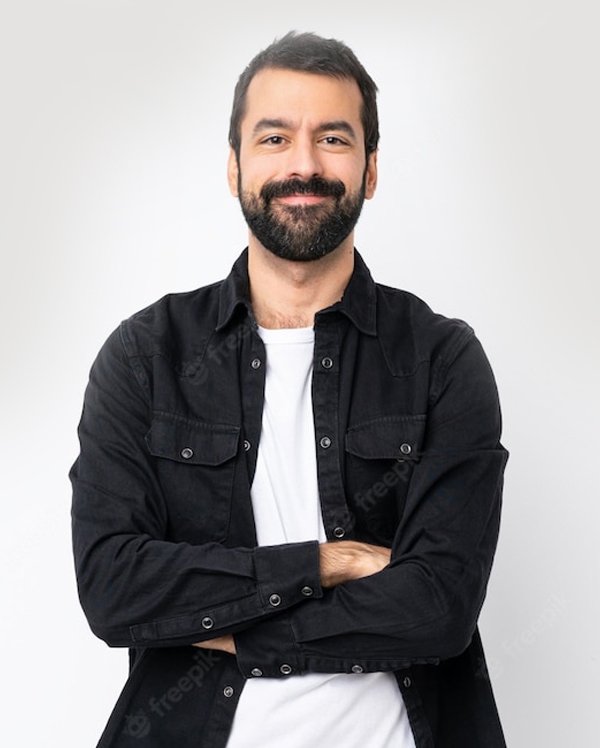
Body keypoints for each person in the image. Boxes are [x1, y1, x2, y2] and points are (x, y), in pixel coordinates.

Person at [70, 31, 509, 748]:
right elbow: (114, 588)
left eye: (333, 138)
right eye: (274, 138)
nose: (303, 164)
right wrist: (327, 562)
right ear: (235, 166)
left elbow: (439, 607)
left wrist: (234, 629)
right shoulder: (146, 357)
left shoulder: (441, 358)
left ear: (370, 170)